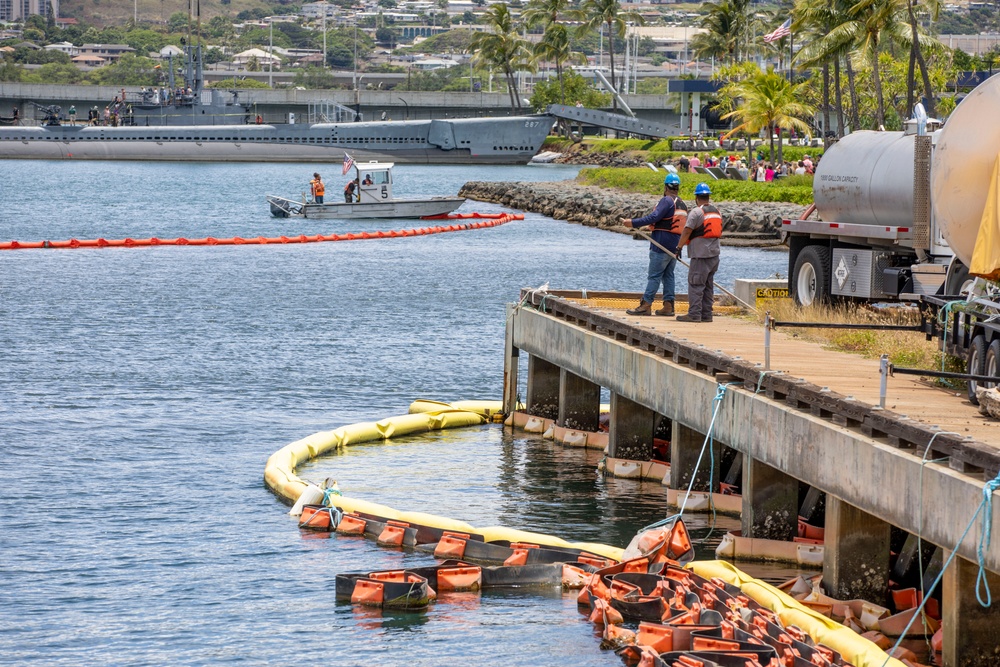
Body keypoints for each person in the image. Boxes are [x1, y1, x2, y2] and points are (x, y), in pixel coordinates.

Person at [618, 173, 687, 317]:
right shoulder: (682, 203)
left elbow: (654, 217)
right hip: (674, 246)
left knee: (654, 276)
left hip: (660, 244)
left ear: (665, 187)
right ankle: (668, 306)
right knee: (668, 276)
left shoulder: (667, 201)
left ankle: (646, 304)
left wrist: (633, 223)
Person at [675, 183, 723, 323]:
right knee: (708, 285)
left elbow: (687, 230)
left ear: (696, 197)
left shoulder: (696, 212)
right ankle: (707, 314)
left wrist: (679, 247)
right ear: (708, 196)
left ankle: (694, 314)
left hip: (700, 255)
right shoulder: (717, 212)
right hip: (714, 255)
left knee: (696, 284)